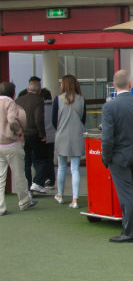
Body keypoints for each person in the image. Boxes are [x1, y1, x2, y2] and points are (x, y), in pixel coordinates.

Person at [101, 70, 133, 243]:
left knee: (126, 194)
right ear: (131, 84)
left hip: (118, 156)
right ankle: (130, 229)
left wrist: (106, 157)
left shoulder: (110, 107)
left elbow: (107, 137)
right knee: (131, 192)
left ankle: (130, 232)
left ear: (114, 85)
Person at [0, 82, 38, 215]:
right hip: (11, 144)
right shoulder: (10, 103)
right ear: (13, 93)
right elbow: (12, 120)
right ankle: (24, 201)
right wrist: (18, 132)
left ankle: (1, 207)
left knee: (0, 177)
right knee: (19, 175)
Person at [52, 75, 86, 208]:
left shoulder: (58, 99)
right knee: (75, 168)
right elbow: (83, 119)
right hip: (77, 135)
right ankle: (75, 199)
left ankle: (60, 195)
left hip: (61, 135)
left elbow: (54, 120)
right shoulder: (82, 99)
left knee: (61, 167)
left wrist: (60, 128)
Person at [16, 76, 47, 194]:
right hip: (34, 134)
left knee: (26, 163)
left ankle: (28, 188)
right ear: (39, 90)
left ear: (28, 88)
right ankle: (37, 182)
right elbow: (39, 119)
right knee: (42, 159)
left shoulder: (19, 100)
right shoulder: (39, 100)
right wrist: (42, 134)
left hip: (22, 135)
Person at [40, 88, 56, 189]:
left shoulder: (40, 106)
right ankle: (51, 180)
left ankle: (43, 179)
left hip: (42, 136)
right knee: (50, 159)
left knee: (40, 159)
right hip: (53, 136)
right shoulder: (55, 105)